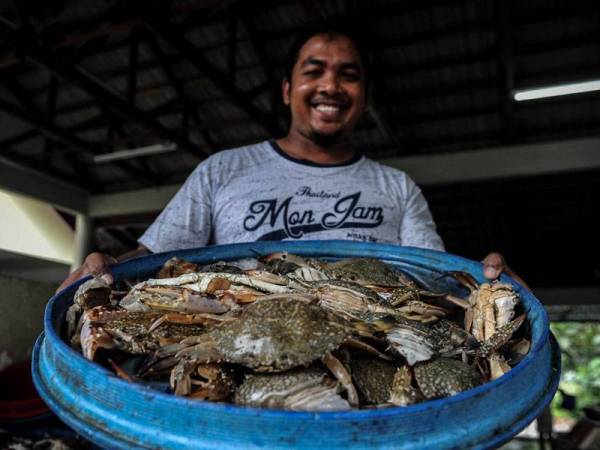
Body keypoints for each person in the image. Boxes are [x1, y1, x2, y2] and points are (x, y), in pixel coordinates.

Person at [57, 24, 527, 292]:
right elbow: (156, 257)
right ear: (287, 90)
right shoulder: (224, 170)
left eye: (348, 75)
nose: (330, 87)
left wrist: (486, 281)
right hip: (233, 353)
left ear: (363, 96)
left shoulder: (396, 187)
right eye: (314, 71)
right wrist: (107, 265)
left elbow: (436, 277)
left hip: (370, 360)